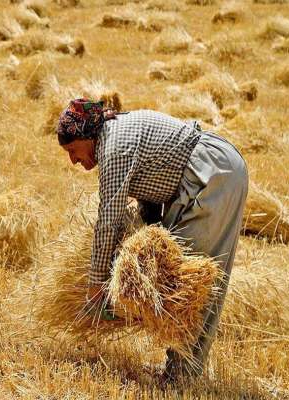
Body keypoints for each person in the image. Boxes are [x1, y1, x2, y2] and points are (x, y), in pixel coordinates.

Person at [56, 98, 249, 381]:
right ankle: (180, 370)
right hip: (212, 171)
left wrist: (97, 284)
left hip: (214, 175)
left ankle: (182, 376)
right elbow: (151, 187)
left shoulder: (114, 148)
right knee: (180, 279)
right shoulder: (115, 135)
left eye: (73, 150)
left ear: (88, 136)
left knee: (188, 282)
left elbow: (108, 218)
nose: (73, 160)